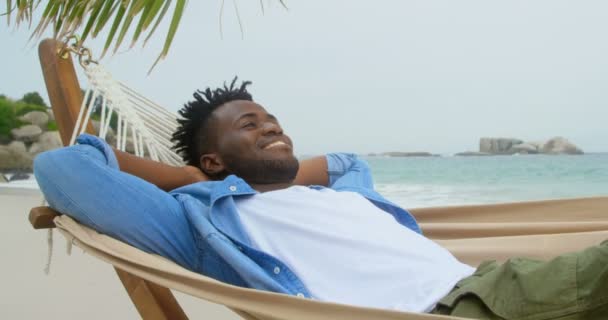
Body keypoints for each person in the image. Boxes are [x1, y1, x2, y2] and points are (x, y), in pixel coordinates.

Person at [34, 78, 608, 319]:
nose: (270, 127)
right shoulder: (212, 222)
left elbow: (347, 162)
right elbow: (63, 169)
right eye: (248, 125)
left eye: (273, 119)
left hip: (494, 286)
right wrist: (199, 180)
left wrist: (268, 169)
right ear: (212, 160)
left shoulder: (338, 195)